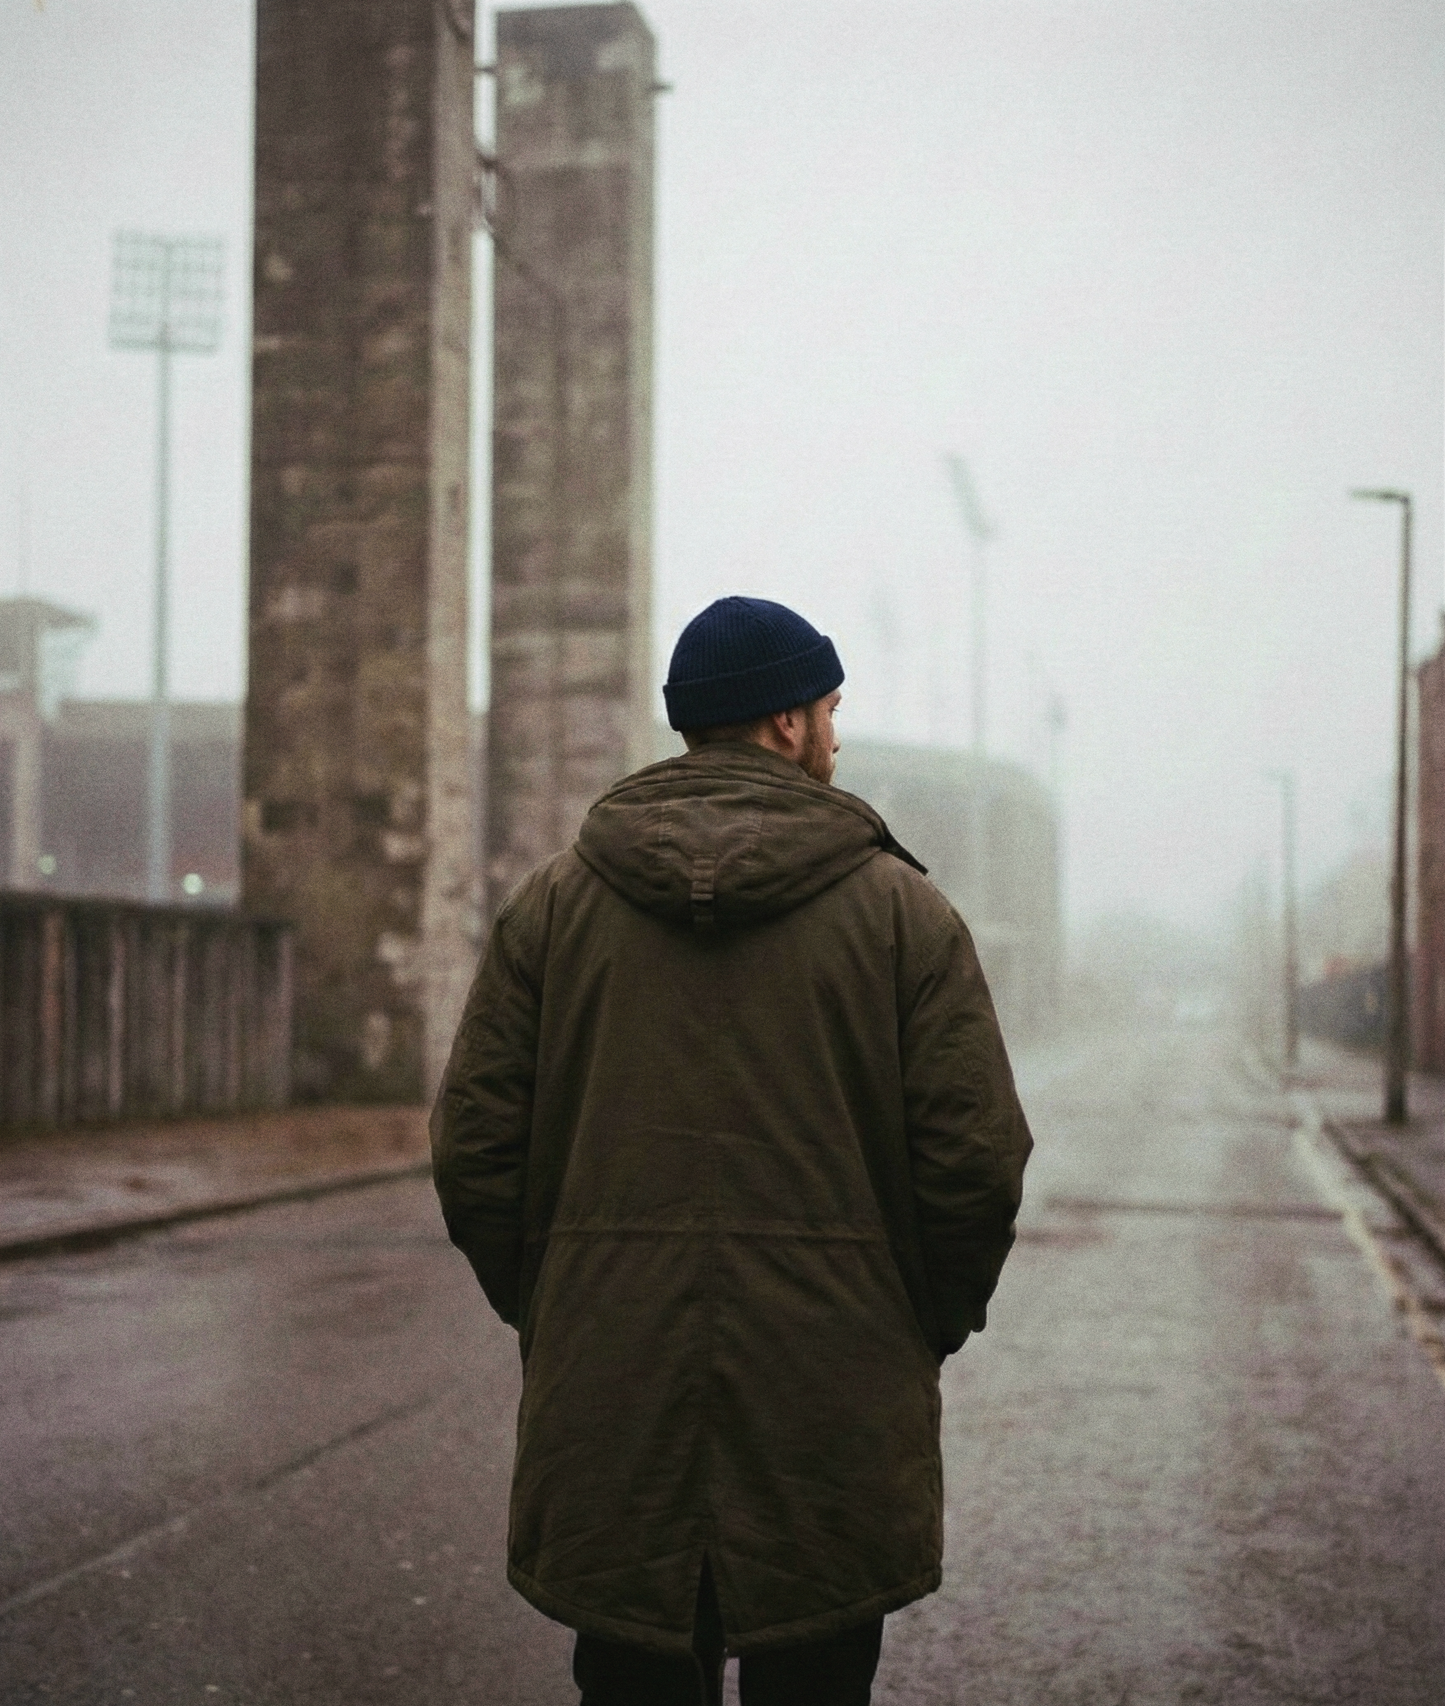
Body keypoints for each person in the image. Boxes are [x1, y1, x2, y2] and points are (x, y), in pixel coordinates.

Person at [432, 595, 1033, 1706]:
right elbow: (976, 1161)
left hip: (611, 1394)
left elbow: (475, 1148)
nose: (838, 737)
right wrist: (911, 1321)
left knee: (630, 1677)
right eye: (831, 709)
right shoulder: (903, 915)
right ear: (789, 724)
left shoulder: (551, 908)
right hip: (830, 1409)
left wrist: (563, 1295)